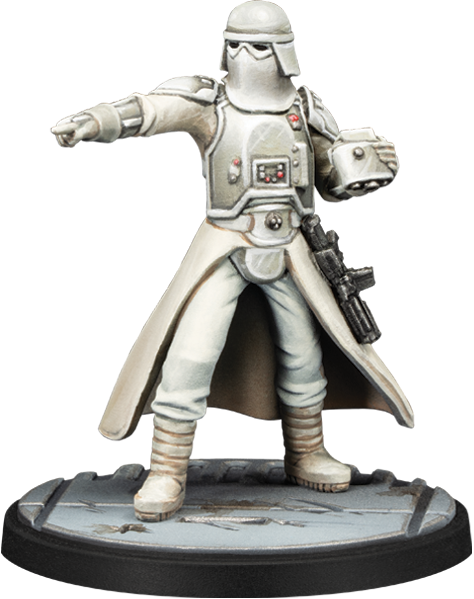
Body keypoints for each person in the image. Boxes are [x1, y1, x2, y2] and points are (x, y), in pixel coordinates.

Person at [52, 2, 413, 522]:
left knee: (304, 356)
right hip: (225, 245)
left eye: (261, 46)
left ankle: (306, 451)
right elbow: (152, 110)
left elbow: (327, 179)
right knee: (190, 355)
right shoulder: (210, 101)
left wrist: (365, 167)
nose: (248, 55)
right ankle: (167, 469)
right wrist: (95, 121)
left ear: (283, 52)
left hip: (291, 248)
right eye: (238, 45)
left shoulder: (304, 108)